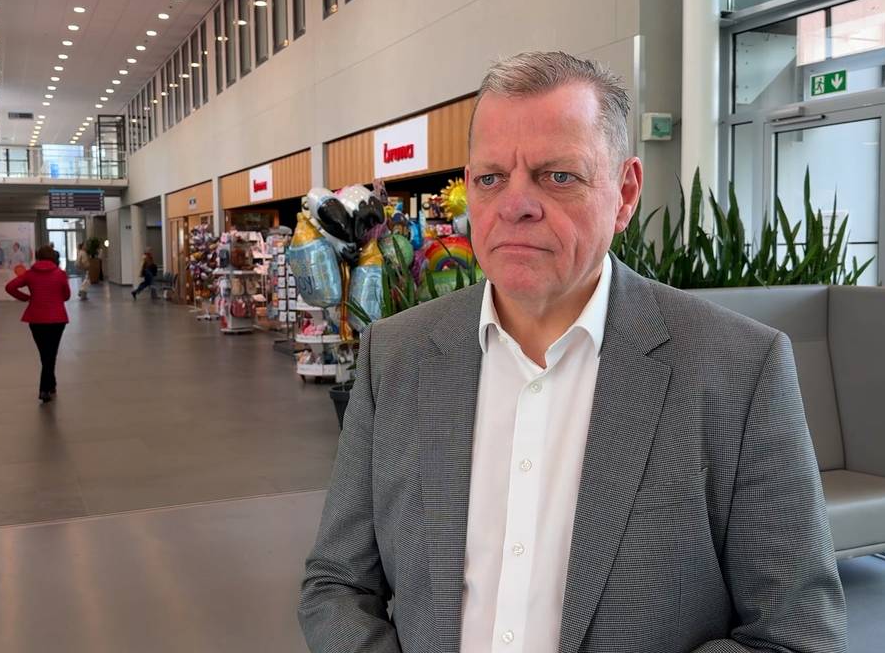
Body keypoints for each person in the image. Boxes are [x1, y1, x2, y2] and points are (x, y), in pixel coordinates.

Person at [298, 52, 847, 653]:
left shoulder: (737, 369)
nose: (516, 204)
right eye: (491, 179)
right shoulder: (396, 356)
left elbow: (796, 633)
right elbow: (337, 585)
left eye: (558, 176)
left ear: (625, 193)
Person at [5, 244, 71, 403]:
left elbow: (10, 287)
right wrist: (56, 298)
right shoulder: (60, 274)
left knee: (45, 354)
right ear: (53, 257)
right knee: (51, 353)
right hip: (57, 319)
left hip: (36, 319)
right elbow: (66, 296)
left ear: (38, 257)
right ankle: (44, 389)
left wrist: (26, 298)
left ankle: (50, 385)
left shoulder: (30, 274)